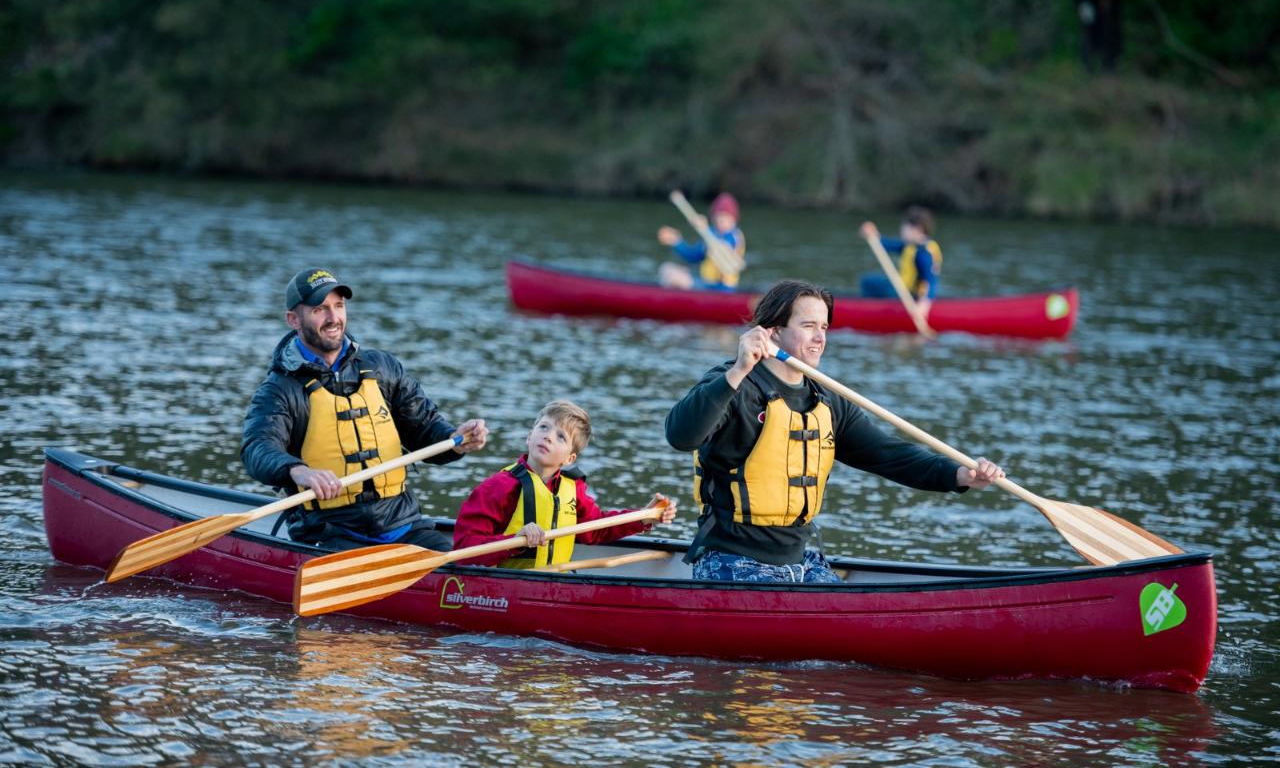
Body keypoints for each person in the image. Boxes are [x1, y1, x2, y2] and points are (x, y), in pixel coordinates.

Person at [665, 279, 1003, 583]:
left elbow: (890, 456)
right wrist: (739, 369)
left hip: (798, 562)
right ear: (774, 332)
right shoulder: (734, 383)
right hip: (730, 560)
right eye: (809, 325)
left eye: (824, 326)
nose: (820, 337)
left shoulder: (826, 400)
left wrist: (961, 475)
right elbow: (681, 435)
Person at [241, 267, 488, 551]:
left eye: (339, 306)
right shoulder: (280, 389)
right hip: (331, 530)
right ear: (294, 320)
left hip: (402, 524)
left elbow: (425, 428)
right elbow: (256, 449)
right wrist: (298, 471)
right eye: (320, 309)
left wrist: (455, 439)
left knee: (461, 571)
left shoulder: (382, 367)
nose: (334, 318)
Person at [452, 400, 677, 567]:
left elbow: (595, 529)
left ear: (570, 459)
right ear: (529, 437)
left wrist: (642, 518)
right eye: (544, 427)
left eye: (561, 437)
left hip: (553, 585)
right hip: (503, 587)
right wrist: (517, 541)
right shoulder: (499, 486)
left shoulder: (573, 489)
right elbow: (464, 548)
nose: (548, 436)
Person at [859, 205, 942, 317]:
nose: (901, 230)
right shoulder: (910, 246)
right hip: (901, 290)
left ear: (917, 229)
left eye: (905, 227)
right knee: (870, 281)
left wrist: (924, 304)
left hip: (908, 295)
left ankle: (867, 312)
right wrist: (873, 235)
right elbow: (887, 245)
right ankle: (872, 308)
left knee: (867, 283)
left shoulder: (924, 254)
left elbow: (931, 281)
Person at [657, 191, 746, 290]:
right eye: (718, 217)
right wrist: (676, 241)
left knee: (674, 277)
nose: (721, 221)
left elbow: (721, 246)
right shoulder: (710, 234)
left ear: (734, 219)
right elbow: (693, 256)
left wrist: (705, 229)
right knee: (667, 269)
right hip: (705, 284)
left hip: (723, 288)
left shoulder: (734, 236)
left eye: (726, 217)